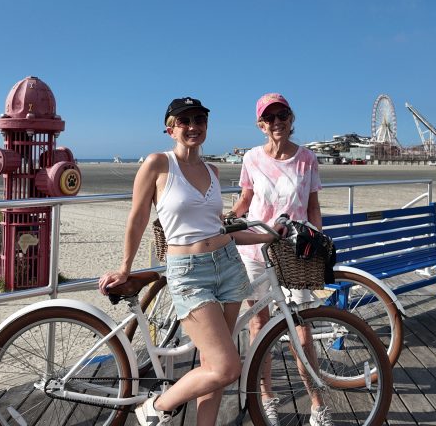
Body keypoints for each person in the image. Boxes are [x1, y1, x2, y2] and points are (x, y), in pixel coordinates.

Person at [99, 97, 264, 426]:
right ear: (170, 128)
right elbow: (138, 217)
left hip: (229, 266)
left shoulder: (213, 170)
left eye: (200, 119)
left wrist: (270, 235)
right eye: (185, 121)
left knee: (212, 364)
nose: (193, 126)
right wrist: (125, 267)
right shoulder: (158, 164)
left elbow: (219, 226)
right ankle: (157, 406)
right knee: (226, 367)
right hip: (189, 274)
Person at [230, 93, 332, 426]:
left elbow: (313, 206)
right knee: (259, 328)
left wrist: (316, 238)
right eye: (270, 118)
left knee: (302, 331)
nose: (277, 123)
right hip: (255, 252)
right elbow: (246, 199)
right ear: (261, 125)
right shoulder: (251, 158)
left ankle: (318, 405)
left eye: (282, 115)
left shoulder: (307, 159)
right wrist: (224, 221)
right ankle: (267, 398)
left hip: (294, 252)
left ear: (291, 119)